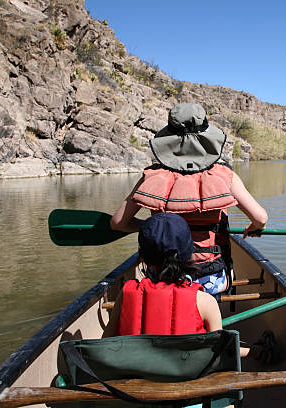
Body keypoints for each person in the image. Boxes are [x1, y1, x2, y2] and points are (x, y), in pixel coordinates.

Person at [111, 103, 268, 296]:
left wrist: (156, 229)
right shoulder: (224, 175)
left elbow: (118, 223)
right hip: (210, 275)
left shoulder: (151, 176)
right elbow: (260, 218)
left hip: (162, 275)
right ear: (207, 138)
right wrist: (253, 228)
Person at [114, 212, 275, 362]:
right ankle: (257, 351)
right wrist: (251, 351)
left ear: (142, 256)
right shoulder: (205, 301)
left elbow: (105, 346)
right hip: (190, 381)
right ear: (189, 253)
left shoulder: (126, 294)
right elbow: (219, 352)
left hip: (136, 382)